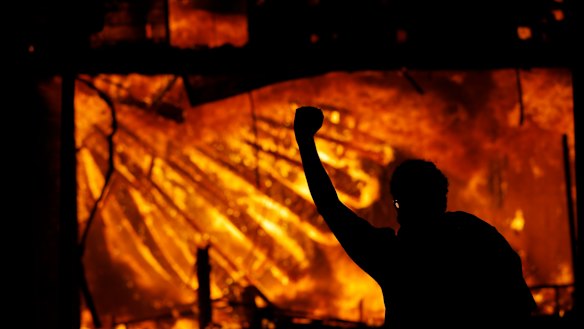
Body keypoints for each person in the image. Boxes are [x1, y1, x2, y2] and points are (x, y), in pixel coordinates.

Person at [293, 106, 536, 328]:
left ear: (400, 206)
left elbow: (330, 207)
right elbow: (522, 308)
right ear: (442, 199)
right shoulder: (479, 236)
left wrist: (305, 141)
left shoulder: (394, 258)